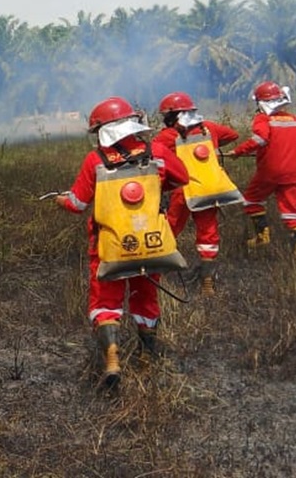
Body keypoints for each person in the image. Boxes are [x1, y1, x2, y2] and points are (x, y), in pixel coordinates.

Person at [55, 97, 190, 388]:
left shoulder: (95, 160)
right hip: (151, 244)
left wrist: (60, 199)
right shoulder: (157, 152)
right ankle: (147, 355)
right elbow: (182, 178)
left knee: (105, 301)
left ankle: (112, 359)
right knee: (146, 296)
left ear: (102, 130)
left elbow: (77, 204)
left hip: (111, 246)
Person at [155, 91, 243, 296]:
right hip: (210, 189)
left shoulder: (168, 136)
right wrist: (212, 146)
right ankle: (207, 280)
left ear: (172, 116)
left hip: (184, 191)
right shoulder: (209, 128)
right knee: (208, 232)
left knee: (170, 228)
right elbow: (233, 134)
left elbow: (154, 153)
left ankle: (158, 270)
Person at [229, 81, 296, 258]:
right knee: (291, 211)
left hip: (270, 172)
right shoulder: (294, 119)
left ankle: (261, 236)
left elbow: (260, 139)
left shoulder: (263, 119)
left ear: (261, 102)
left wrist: (238, 151)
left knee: (252, 200)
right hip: (295, 173)